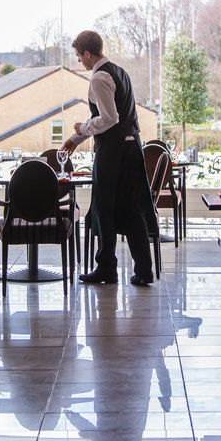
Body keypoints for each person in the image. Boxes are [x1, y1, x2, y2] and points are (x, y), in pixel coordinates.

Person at [62, 30, 157, 286]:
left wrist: (81, 129)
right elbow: (118, 118)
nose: (80, 63)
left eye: (80, 58)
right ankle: (144, 271)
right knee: (133, 210)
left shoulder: (99, 77)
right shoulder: (121, 73)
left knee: (104, 209)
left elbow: (108, 119)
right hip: (132, 147)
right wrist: (75, 140)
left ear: (87, 54)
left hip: (113, 152)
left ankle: (106, 269)